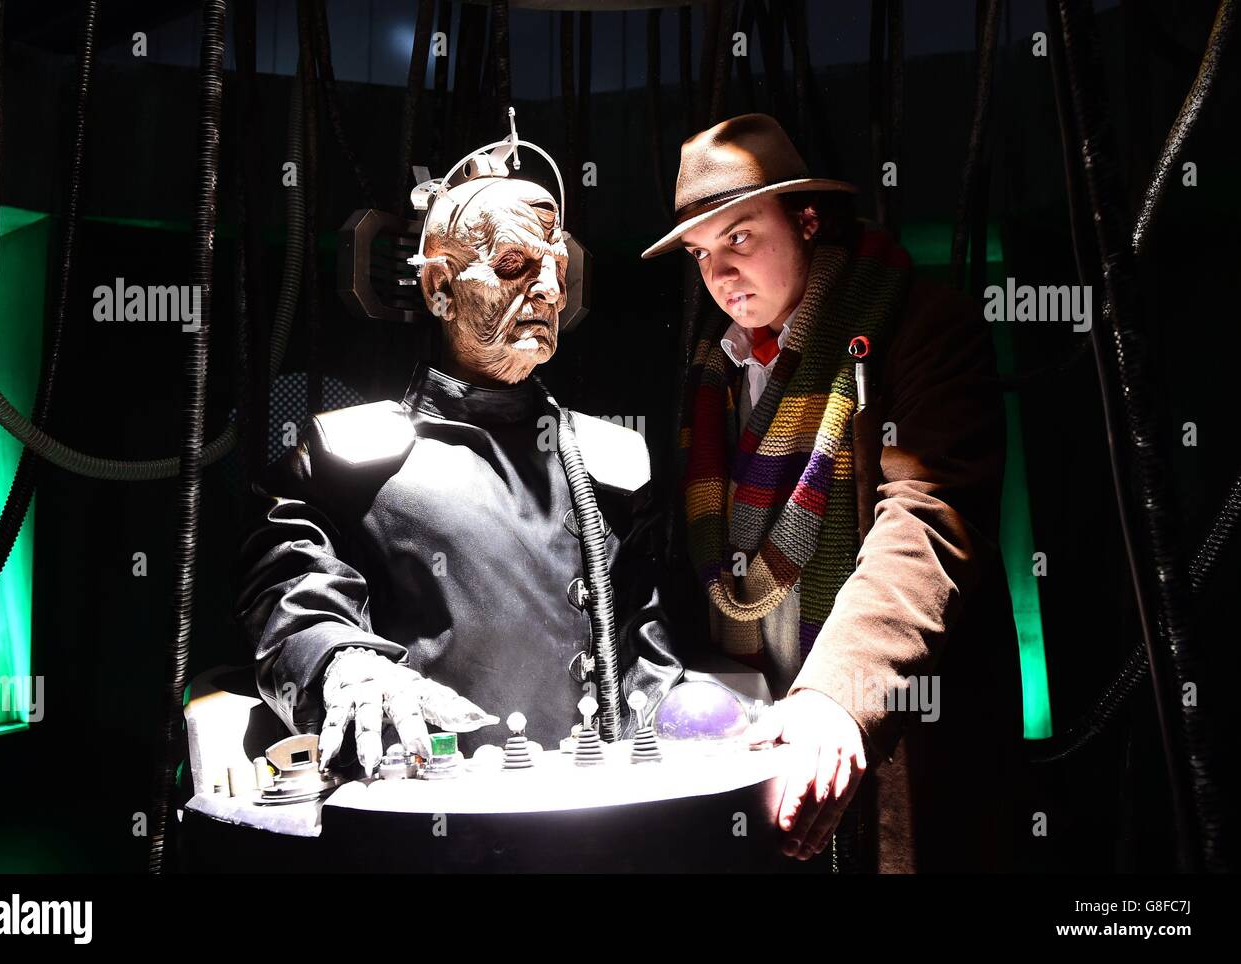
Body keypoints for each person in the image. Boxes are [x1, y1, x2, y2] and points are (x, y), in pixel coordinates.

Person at [642, 113, 1022, 871]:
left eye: (740, 237)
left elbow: (929, 519)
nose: (719, 274)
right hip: (766, 745)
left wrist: (836, 697)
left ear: (808, 220)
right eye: (700, 253)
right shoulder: (712, 371)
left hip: (892, 732)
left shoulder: (918, 328)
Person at [235, 164, 683, 773]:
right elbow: (291, 596)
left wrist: (684, 723)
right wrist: (341, 661)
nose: (549, 289)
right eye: (513, 265)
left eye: (556, 266)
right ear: (439, 286)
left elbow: (648, 648)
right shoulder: (347, 461)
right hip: (421, 817)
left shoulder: (611, 462)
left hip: (588, 814)